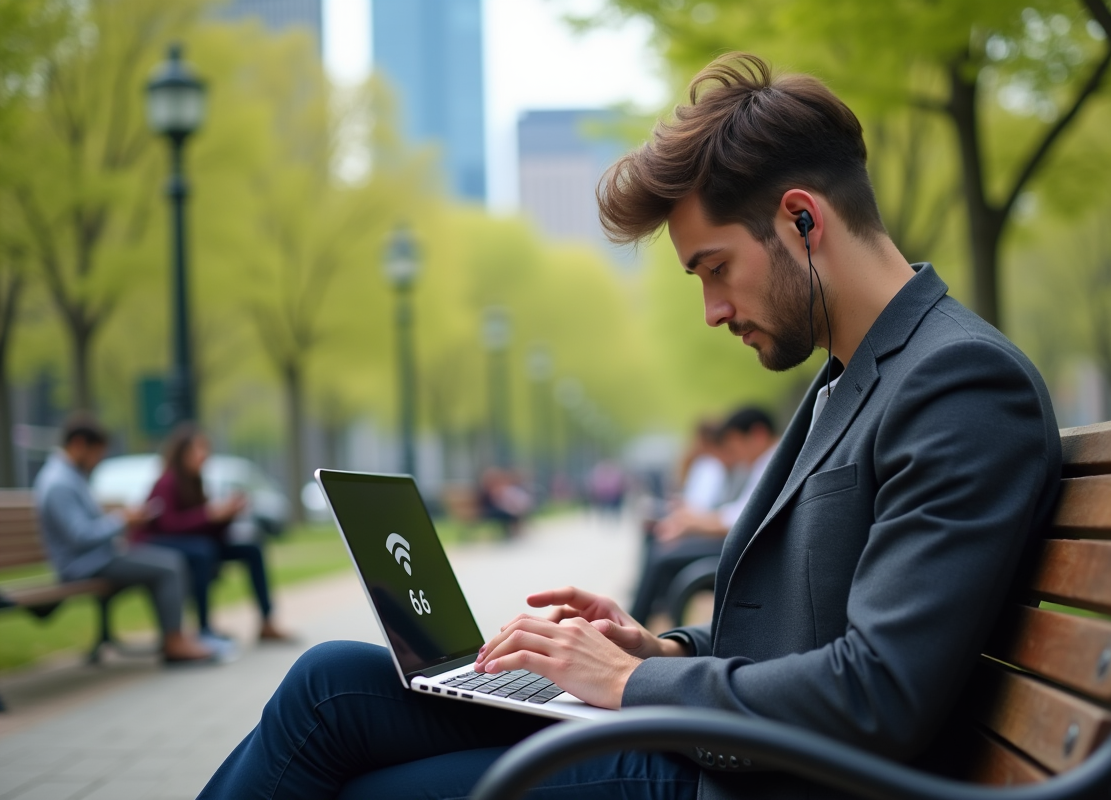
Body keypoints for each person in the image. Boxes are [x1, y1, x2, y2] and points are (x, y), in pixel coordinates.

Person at [200, 53, 1061, 800]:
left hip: (772, 783)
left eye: (714, 268)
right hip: (733, 755)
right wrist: (654, 647)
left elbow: (881, 691)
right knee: (331, 686)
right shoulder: (851, 375)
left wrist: (635, 683)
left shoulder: (958, 383)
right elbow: (812, 632)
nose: (714, 310)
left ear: (803, 219)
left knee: (370, 788)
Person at [33, 414, 214, 663]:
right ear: (78, 444)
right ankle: (174, 642)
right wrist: (122, 520)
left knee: (166, 560)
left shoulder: (68, 476)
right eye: (96, 453)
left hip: (96, 558)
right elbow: (79, 536)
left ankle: (174, 637)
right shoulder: (59, 483)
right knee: (169, 565)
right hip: (83, 565)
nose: (98, 461)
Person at [134, 424, 291, 643]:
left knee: (252, 548)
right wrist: (209, 515)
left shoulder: (196, 482)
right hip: (159, 543)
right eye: (198, 449)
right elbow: (169, 525)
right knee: (203, 551)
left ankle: (266, 621)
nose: (204, 455)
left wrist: (226, 516)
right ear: (182, 453)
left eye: (206, 449)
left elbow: (208, 531)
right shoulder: (166, 483)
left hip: (194, 543)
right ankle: (204, 627)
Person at [628, 406, 779, 624]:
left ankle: (636, 623)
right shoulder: (764, 463)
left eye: (734, 445)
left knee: (662, 556)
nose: (734, 454)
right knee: (661, 551)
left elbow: (741, 518)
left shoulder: (771, 462)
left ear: (757, 435)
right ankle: (642, 618)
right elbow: (738, 513)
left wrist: (691, 524)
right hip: (740, 541)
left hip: (747, 548)